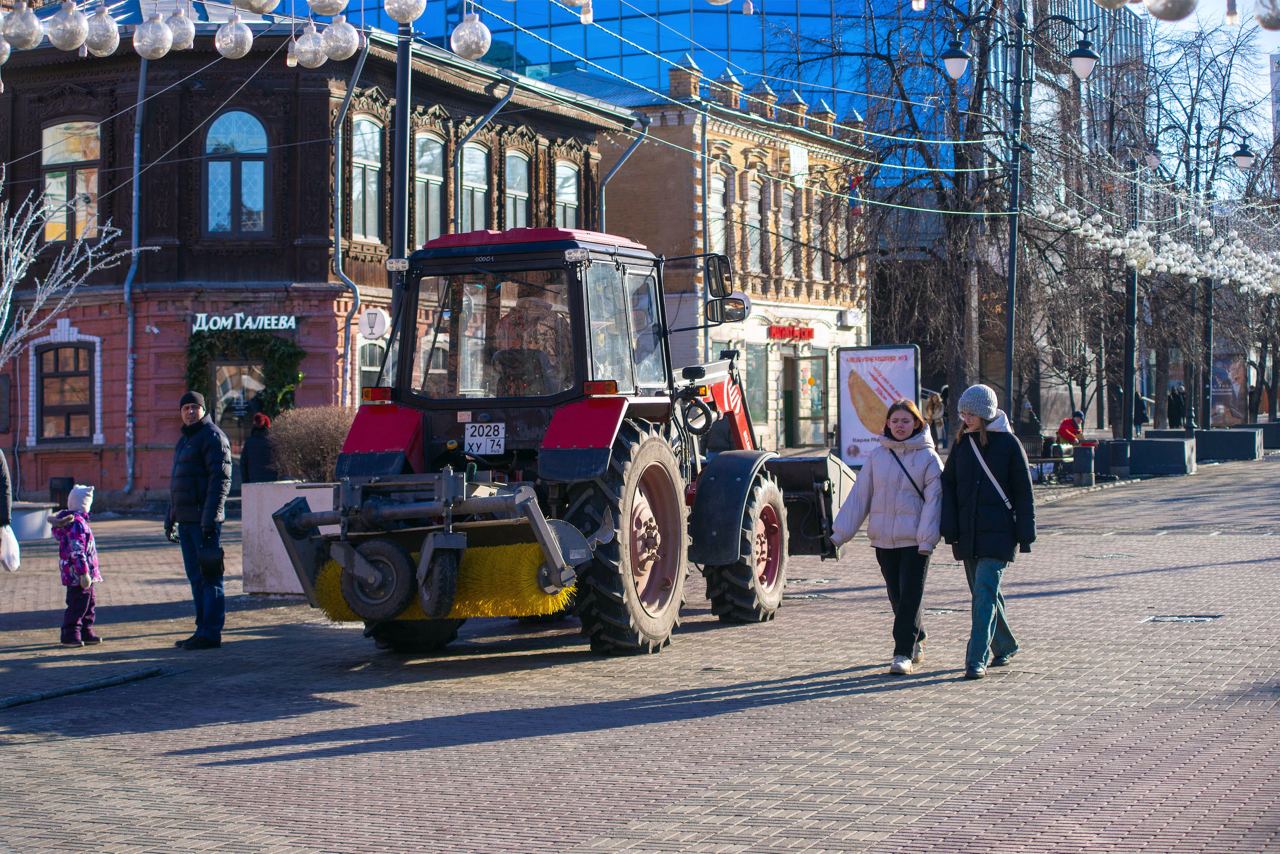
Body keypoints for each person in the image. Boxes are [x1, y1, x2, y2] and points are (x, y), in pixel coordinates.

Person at [831, 399, 942, 676]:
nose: (900, 426)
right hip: (883, 539)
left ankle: (902, 652)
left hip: (915, 541)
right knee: (897, 595)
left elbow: (934, 502)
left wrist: (927, 539)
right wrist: (838, 534)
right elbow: (859, 498)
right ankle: (917, 637)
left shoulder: (929, 458)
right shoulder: (878, 457)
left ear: (917, 423)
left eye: (906, 421)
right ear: (887, 424)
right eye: (895, 421)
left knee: (910, 596)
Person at [940, 384, 1036, 680]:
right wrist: (949, 528)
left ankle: (975, 659)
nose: (965, 418)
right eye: (963, 412)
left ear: (985, 413)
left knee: (983, 593)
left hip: (999, 534)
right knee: (986, 594)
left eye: (971, 413)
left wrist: (1025, 533)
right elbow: (949, 486)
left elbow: (1023, 491)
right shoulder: (962, 443)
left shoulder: (1009, 444)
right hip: (969, 533)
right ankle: (1005, 644)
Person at [167, 391, 232, 651]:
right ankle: (201, 629)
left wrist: (210, 519)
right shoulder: (185, 440)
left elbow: (220, 483)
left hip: (204, 523)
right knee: (196, 577)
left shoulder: (213, 437)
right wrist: (170, 517)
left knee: (210, 578)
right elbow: (177, 483)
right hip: (186, 521)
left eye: (195, 407)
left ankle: (211, 631)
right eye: (186, 408)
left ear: (203, 410)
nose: (190, 412)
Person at [53, 484, 101, 647]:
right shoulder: (77, 524)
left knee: (89, 602)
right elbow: (77, 549)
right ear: (85, 504)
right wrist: (84, 573)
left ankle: (86, 630)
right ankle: (70, 633)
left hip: (80, 573)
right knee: (78, 603)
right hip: (78, 574)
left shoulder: (75, 522)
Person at [240, 412, 278, 484]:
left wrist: (245, 482)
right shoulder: (273, 441)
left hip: (253, 482)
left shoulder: (249, 442)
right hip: (272, 482)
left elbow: (243, 464)